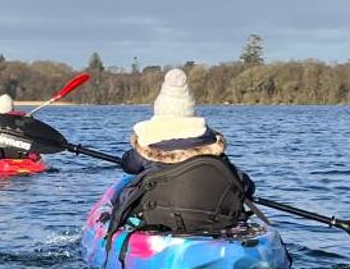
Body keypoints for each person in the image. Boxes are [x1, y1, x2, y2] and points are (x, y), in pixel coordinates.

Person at [103, 69, 255, 245]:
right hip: (214, 222)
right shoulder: (215, 153)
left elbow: (129, 165)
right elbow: (247, 187)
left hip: (156, 222)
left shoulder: (147, 145)